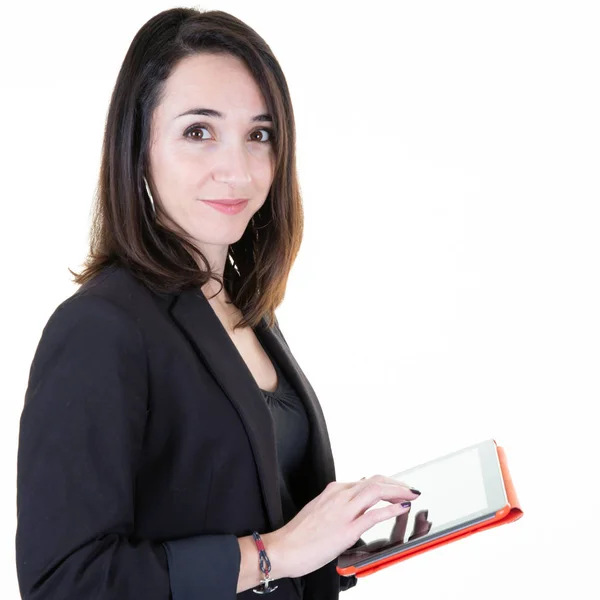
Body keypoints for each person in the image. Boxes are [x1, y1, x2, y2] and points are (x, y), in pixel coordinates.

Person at [14, 8, 421, 600]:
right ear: (139, 146)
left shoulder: (244, 310)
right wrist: (275, 554)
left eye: (259, 134)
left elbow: (252, 513)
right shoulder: (99, 327)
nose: (237, 169)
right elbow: (65, 583)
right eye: (198, 131)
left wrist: (336, 539)